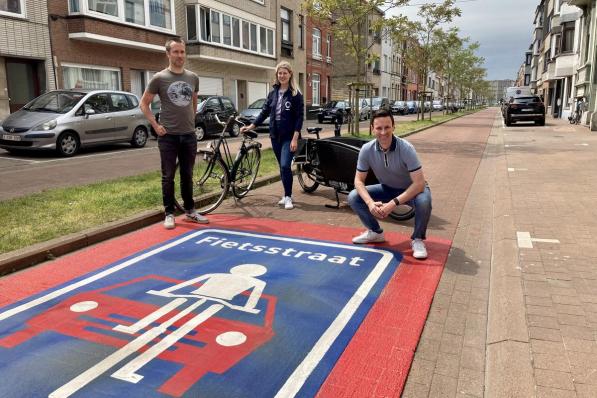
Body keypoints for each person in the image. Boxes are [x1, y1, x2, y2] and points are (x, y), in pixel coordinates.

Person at [140, 38, 208, 229]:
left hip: (188, 135)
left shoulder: (193, 77)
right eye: (176, 52)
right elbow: (143, 103)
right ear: (168, 54)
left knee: (187, 174)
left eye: (182, 52)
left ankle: (190, 210)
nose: (180, 55)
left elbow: (194, 102)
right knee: (168, 175)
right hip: (168, 136)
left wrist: (192, 121)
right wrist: (155, 125)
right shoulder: (159, 78)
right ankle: (169, 213)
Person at [347, 109, 432, 260]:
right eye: (379, 128)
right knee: (354, 196)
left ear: (394, 127)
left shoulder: (406, 148)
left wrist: (393, 204)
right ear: (372, 129)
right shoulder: (366, 150)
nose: (383, 132)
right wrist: (370, 203)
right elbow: (358, 181)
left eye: (387, 127)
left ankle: (417, 239)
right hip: (387, 188)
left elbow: (419, 184)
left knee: (424, 201)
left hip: (412, 190)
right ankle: (375, 232)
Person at [241, 61, 304, 210]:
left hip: (289, 137)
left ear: (290, 74)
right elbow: (264, 113)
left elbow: (299, 118)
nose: (282, 76)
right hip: (275, 136)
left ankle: (288, 197)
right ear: (277, 75)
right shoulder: (273, 93)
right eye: (279, 73)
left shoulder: (296, 95)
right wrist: (251, 126)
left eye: (285, 73)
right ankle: (286, 194)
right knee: (281, 168)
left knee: (285, 165)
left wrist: (295, 138)